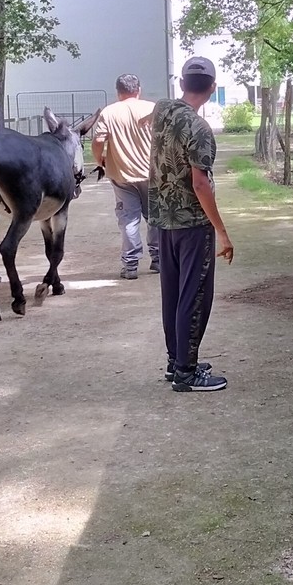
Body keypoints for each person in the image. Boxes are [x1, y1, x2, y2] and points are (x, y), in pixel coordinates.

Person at [150, 55, 234, 392]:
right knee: (194, 295)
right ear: (212, 88)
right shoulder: (200, 130)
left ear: (183, 84)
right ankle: (186, 371)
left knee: (172, 293)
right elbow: (200, 184)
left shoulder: (163, 110)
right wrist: (222, 231)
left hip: (164, 220)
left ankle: (176, 360)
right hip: (192, 222)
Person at [91, 73, 159, 280]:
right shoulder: (152, 109)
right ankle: (159, 260)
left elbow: (99, 140)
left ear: (118, 92)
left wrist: (99, 160)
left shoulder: (109, 112)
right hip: (153, 174)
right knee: (156, 217)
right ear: (138, 90)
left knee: (129, 219)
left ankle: (130, 266)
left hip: (122, 173)